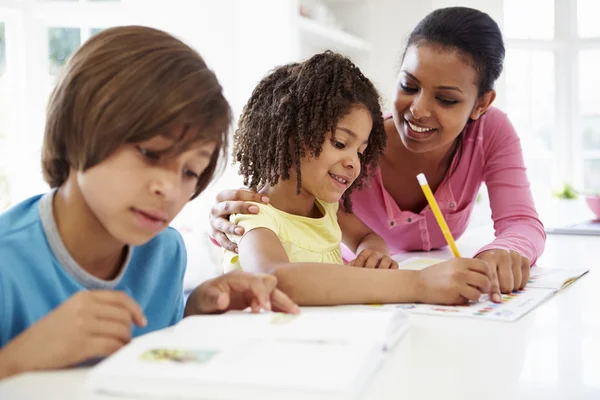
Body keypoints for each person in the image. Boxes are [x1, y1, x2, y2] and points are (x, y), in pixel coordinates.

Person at [0, 26, 297, 381]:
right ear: (78, 126)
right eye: (150, 153)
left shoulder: (166, 252)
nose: (170, 190)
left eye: (190, 171)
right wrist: (16, 359)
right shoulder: (8, 262)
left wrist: (195, 312)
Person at [210, 7, 546, 300]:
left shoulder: (490, 132)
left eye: (446, 99)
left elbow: (521, 222)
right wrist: (415, 284)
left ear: (482, 103)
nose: (418, 110)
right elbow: (275, 250)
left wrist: (505, 251)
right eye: (409, 86)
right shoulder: (314, 176)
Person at [222, 50, 494, 307]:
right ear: (290, 136)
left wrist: (372, 253)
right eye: (340, 143)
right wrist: (417, 284)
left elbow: (368, 237)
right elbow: (275, 279)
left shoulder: (326, 209)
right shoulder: (254, 216)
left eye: (361, 152)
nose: (354, 163)